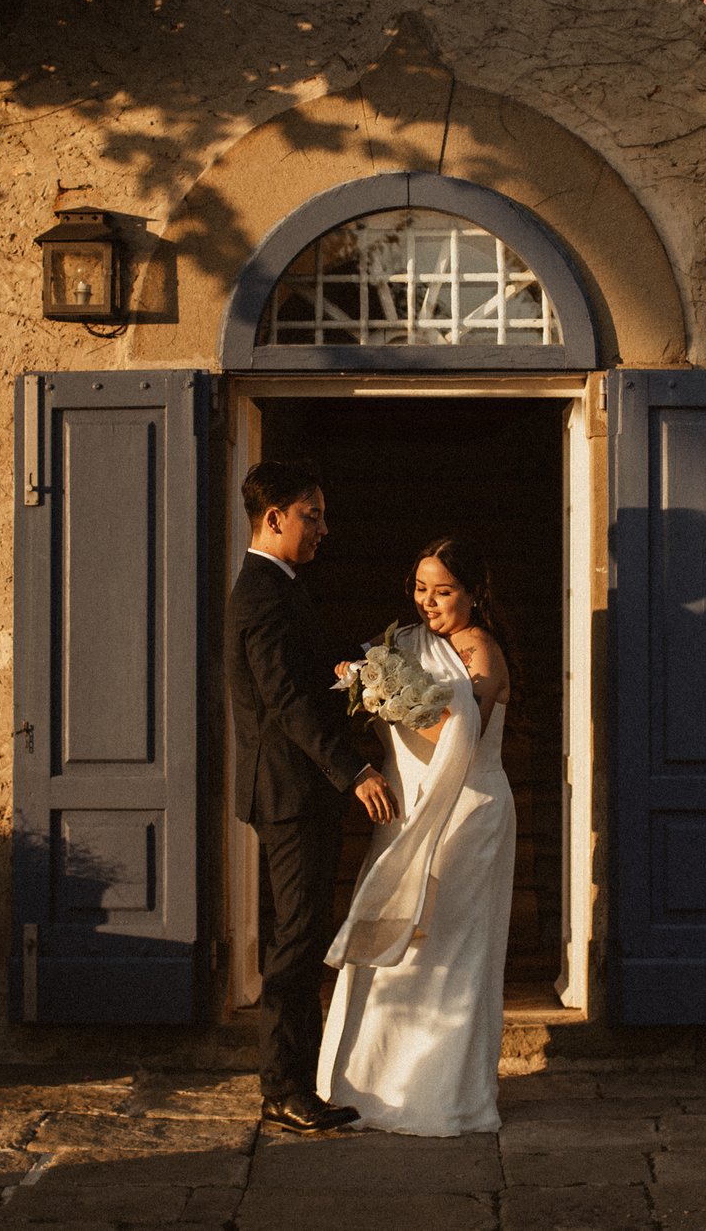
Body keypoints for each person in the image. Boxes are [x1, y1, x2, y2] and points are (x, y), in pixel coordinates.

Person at [316, 536, 515, 1136]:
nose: (428, 602)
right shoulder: (404, 643)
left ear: (473, 593)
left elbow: (463, 736)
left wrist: (382, 695)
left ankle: (443, 1094)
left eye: (444, 591)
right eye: (421, 589)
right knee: (395, 939)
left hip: (469, 811)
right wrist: (363, 678)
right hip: (410, 807)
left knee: (450, 949)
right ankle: (373, 1085)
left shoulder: (482, 651)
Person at [222, 459, 398, 1134]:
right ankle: (282, 1086)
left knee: (306, 932)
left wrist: (366, 666)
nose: (324, 528)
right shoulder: (262, 593)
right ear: (275, 518)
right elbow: (286, 702)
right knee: (296, 939)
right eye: (313, 514)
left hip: (302, 789)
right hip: (291, 792)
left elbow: (307, 679)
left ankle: (304, 1079)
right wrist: (352, 771)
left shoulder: (283, 584)